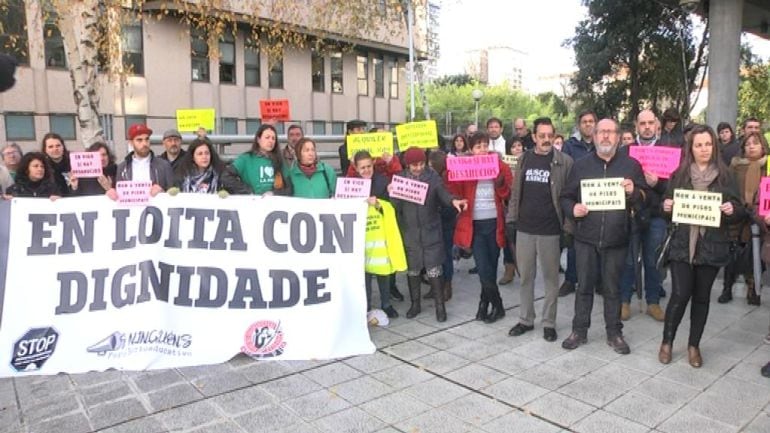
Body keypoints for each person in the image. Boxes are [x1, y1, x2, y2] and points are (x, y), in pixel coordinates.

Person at [658, 124, 744, 368]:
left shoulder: (726, 176)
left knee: (702, 298)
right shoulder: (680, 175)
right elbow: (665, 206)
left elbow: (740, 210)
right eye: (699, 145)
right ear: (691, 148)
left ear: (714, 146)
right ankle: (667, 341)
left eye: (708, 144)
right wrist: (665, 207)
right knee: (680, 293)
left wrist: (731, 210)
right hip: (682, 244)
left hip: (712, 245)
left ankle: (694, 345)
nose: (704, 149)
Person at [560, 118, 648, 355]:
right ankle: (579, 330)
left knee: (612, 288)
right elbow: (566, 197)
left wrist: (634, 192)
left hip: (617, 237)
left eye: (610, 132)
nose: (606, 136)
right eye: (601, 132)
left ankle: (614, 332)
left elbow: (646, 198)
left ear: (619, 137)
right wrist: (573, 209)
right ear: (594, 136)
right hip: (585, 237)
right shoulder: (581, 165)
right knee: (584, 286)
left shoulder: (631, 165)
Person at [506, 117, 573, 342]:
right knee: (526, 277)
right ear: (533, 137)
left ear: (554, 136)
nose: (546, 140)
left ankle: (549, 322)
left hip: (551, 231)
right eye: (541, 135)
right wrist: (511, 219)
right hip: (525, 229)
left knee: (551, 279)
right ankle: (525, 319)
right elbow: (516, 192)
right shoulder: (523, 159)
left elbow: (570, 196)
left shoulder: (565, 162)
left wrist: (568, 228)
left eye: (549, 135)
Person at [391, 147, 467, 322]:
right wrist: (391, 193)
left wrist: (453, 200)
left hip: (431, 230)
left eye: (420, 164)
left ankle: (440, 307)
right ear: (407, 165)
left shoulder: (432, 177)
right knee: (413, 271)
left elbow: (443, 194)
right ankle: (415, 304)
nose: (418, 168)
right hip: (410, 233)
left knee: (434, 271)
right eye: (414, 165)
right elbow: (394, 206)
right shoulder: (400, 180)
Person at [449, 133, 513, 323]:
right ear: (471, 150)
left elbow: (508, 193)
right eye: (478, 147)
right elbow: (454, 190)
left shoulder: (499, 165)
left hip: (494, 223)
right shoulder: (465, 166)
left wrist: (500, 182)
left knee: (491, 268)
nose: (482, 150)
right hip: (474, 225)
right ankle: (499, 305)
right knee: (484, 270)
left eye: (485, 146)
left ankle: (484, 304)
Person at [618, 109, 671, 322]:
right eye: (643, 123)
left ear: (657, 124)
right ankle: (624, 301)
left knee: (653, 260)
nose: (647, 127)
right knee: (629, 260)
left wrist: (657, 183)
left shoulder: (667, 151)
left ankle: (653, 302)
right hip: (631, 213)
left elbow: (674, 185)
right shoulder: (625, 151)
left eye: (651, 122)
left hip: (656, 215)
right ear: (636, 125)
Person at [352, 150, 402, 318]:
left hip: (380, 235)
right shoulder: (350, 185)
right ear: (356, 168)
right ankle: (365, 305)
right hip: (361, 235)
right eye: (362, 168)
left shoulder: (383, 181)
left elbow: (393, 204)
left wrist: (379, 204)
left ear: (373, 164)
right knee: (363, 273)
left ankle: (386, 304)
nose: (366, 170)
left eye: (368, 166)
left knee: (383, 270)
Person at [720, 132, 768, 305]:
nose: (751, 146)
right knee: (731, 254)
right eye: (748, 144)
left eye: (755, 143)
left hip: (760, 218)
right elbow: (728, 189)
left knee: (755, 256)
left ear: (763, 146)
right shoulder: (734, 166)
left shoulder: (768, 166)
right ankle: (727, 288)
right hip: (736, 214)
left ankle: (753, 289)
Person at [560, 110, 598, 297]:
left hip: (600, 199)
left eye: (591, 121)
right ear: (579, 124)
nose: (588, 125)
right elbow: (565, 172)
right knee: (574, 244)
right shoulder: (570, 145)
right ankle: (570, 279)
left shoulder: (603, 143)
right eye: (584, 122)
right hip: (576, 199)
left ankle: (597, 281)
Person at [106, 124, 174, 200]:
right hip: (133, 210)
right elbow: (119, 195)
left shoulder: (164, 165)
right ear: (131, 143)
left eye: (147, 139)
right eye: (139, 140)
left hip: (157, 209)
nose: (144, 144)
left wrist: (162, 192)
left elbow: (174, 194)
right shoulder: (122, 168)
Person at [426, 150, 457, 301]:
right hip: (432, 220)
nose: (429, 168)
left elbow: (450, 201)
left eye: (432, 165)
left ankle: (447, 285)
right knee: (434, 257)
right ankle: (436, 285)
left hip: (445, 220)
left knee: (445, 255)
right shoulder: (431, 177)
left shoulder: (448, 179)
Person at [170, 138, 250, 195]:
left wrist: (226, 193)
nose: (204, 157)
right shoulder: (182, 175)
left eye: (207, 153)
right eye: (200, 154)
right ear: (193, 157)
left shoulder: (221, 174)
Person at [232, 124, 289, 196]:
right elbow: (226, 177)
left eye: (273, 138)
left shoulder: (279, 160)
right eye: (267, 137)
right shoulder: (246, 159)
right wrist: (246, 190)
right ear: (258, 139)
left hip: (274, 205)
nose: (270, 141)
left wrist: (273, 193)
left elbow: (289, 188)